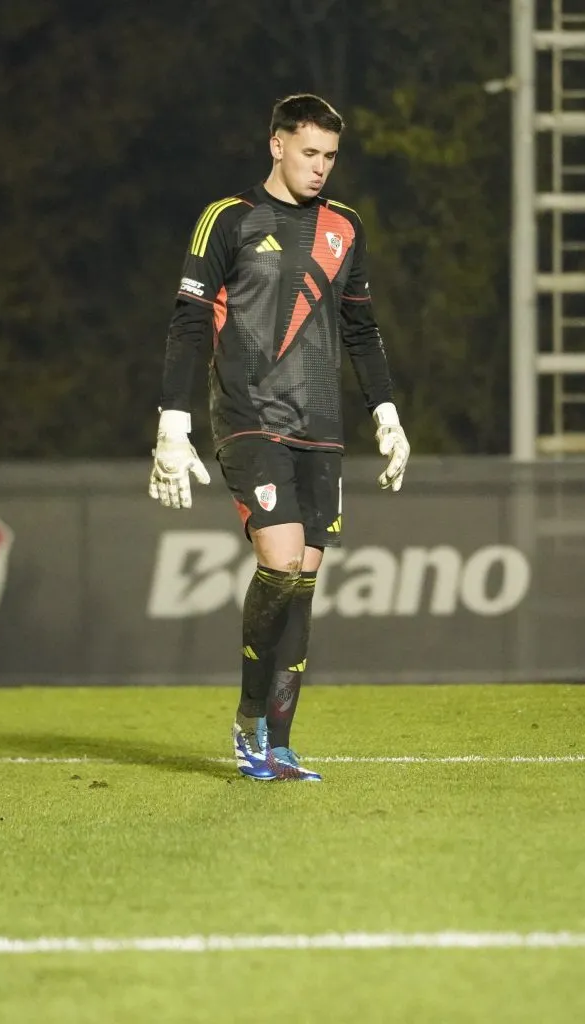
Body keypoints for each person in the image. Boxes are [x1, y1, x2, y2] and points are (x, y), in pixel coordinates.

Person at [149, 93, 410, 782]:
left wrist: (386, 410)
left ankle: (280, 743)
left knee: (305, 579)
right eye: (309, 152)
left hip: (320, 426)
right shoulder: (228, 219)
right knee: (282, 559)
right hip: (249, 414)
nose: (320, 167)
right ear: (276, 144)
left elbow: (361, 327)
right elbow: (188, 320)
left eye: (330, 156)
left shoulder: (345, 228)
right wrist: (172, 421)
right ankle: (247, 719)